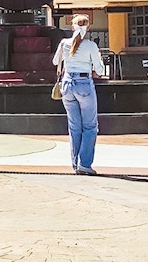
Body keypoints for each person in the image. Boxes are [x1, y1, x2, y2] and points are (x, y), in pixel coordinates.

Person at [52, 14, 105, 175]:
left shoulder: (64, 43)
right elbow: (100, 70)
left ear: (72, 27)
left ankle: (75, 163)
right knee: (90, 126)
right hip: (84, 84)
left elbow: (55, 62)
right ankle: (85, 163)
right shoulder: (90, 45)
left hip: (67, 84)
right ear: (87, 28)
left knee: (74, 126)